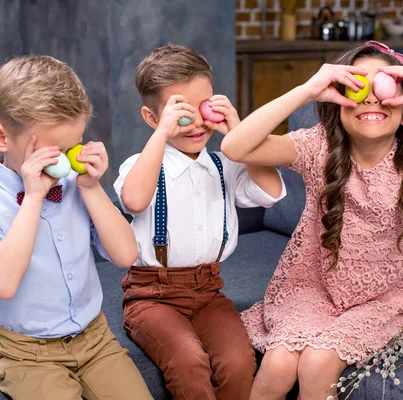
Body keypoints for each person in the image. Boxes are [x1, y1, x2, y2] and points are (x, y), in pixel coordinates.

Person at [221, 41, 403, 399]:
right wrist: (307, 89)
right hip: (310, 288)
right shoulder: (316, 148)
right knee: (278, 364)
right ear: (338, 104)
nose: (371, 98)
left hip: (382, 299)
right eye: (357, 86)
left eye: (384, 87)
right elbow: (234, 147)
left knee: (317, 362)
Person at [0, 55, 152, 400]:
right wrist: (33, 198)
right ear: (2, 137)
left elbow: (126, 255)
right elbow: (1, 284)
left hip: (96, 341)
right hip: (26, 355)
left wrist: (92, 188)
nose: (66, 161)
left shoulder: (79, 185)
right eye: (53, 152)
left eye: (73, 146)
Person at [113, 43, 286, 400]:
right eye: (180, 112)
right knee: (189, 361)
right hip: (152, 296)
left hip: (209, 292)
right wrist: (161, 135)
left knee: (239, 360)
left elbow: (271, 193)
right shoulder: (142, 165)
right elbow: (133, 199)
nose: (196, 122)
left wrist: (238, 131)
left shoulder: (227, 163)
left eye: (203, 106)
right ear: (152, 117)